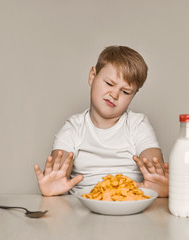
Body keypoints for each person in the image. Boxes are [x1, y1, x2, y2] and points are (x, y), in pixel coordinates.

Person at [34, 46, 169, 197]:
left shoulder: (137, 124)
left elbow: (152, 162)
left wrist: (157, 179)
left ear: (133, 95)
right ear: (92, 76)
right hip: (82, 211)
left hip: (129, 208)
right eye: (109, 84)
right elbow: (60, 169)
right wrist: (54, 183)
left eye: (125, 91)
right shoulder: (73, 128)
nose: (114, 94)